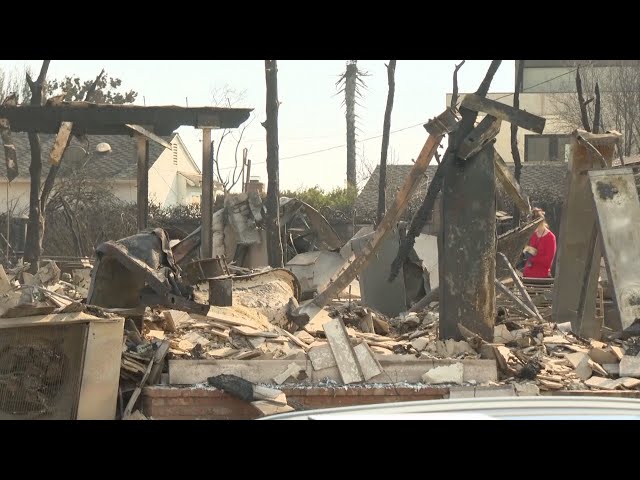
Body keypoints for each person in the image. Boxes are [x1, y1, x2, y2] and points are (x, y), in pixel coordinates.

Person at [522, 208, 557, 278]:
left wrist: (533, 259)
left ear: (539, 222)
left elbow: (548, 262)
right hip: (527, 274)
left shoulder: (550, 237)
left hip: (541, 277)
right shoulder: (533, 235)